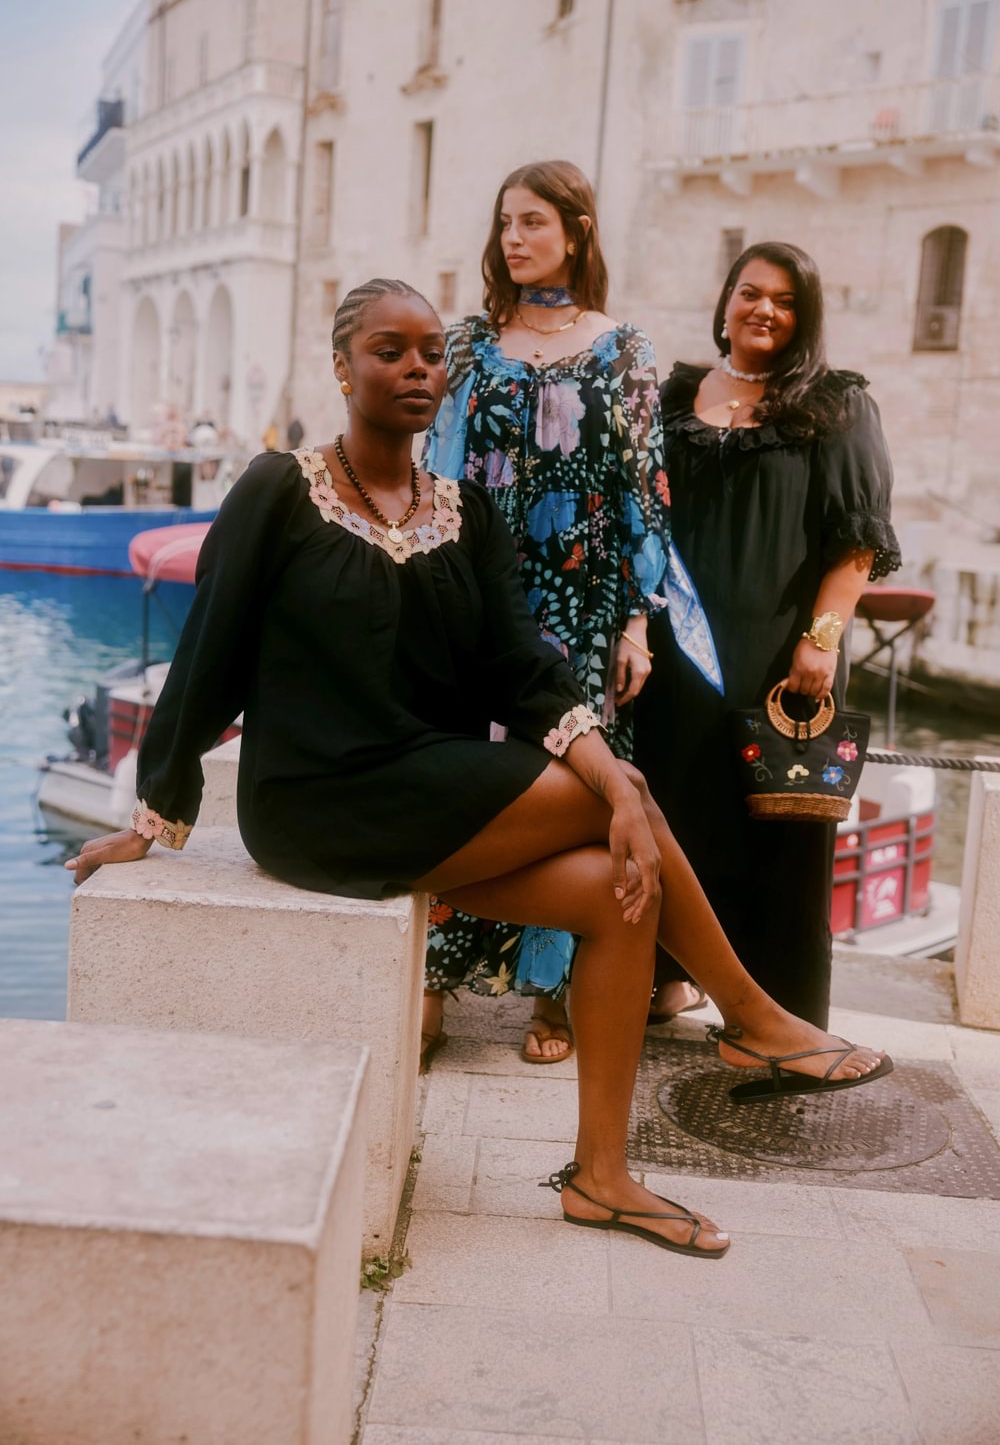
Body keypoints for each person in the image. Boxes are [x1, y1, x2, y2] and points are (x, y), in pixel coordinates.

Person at [66, 277, 890, 1260]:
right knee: (621, 803)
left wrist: (597, 759)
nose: (416, 367)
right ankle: (753, 1015)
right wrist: (157, 812)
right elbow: (207, 648)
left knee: (618, 890)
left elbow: (521, 668)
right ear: (341, 367)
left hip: (430, 783)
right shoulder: (279, 488)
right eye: (389, 350)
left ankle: (602, 1176)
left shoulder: (461, 510)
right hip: (318, 801)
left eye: (428, 352)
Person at [421, 159, 715, 1070]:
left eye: (534, 222)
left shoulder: (623, 348)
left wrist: (637, 623)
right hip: (477, 599)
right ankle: (433, 977)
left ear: (578, 230)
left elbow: (643, 493)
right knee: (465, 778)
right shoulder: (469, 343)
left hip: (582, 606)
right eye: (505, 222)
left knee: (579, 791)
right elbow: (438, 469)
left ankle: (553, 992)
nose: (514, 238)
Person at [635, 242, 902, 1030]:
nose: (764, 310)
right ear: (725, 302)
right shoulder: (675, 393)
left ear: (803, 318)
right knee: (674, 809)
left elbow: (857, 544)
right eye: (750, 293)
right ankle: (665, 975)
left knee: (773, 833)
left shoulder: (836, 404)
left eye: (785, 301)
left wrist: (821, 639)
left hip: (784, 657)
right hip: (677, 647)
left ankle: (774, 1008)